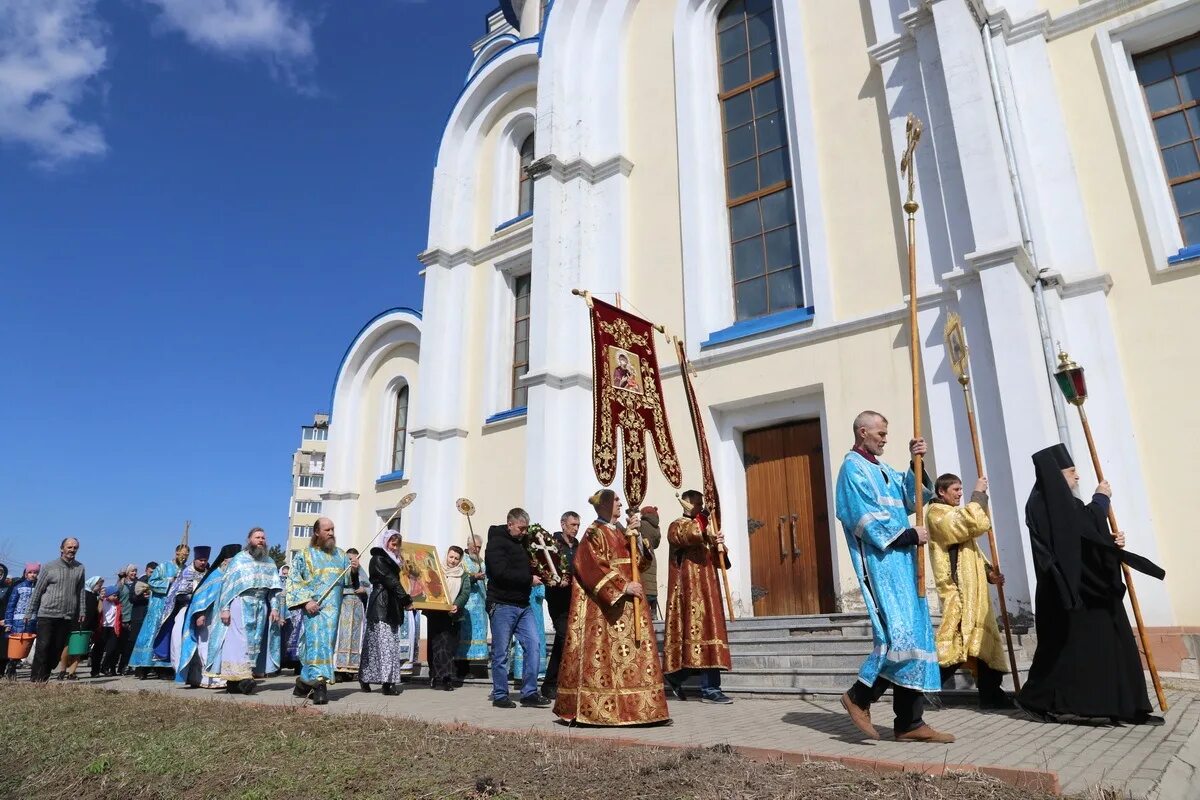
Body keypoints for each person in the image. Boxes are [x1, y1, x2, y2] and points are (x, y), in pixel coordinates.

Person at [1017, 444, 1166, 726]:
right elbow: (1076, 530)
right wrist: (1101, 500)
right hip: (1067, 590)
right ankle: (1037, 700)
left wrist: (1109, 542)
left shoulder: (1061, 502)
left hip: (1089, 588)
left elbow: (1081, 538)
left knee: (1112, 641)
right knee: (1063, 652)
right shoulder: (1044, 502)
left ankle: (1126, 705)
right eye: (1072, 472)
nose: (1077, 478)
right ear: (1056, 474)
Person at [834, 411, 952, 743]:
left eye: (886, 434)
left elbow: (910, 496)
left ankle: (910, 723)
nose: (885, 438)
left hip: (903, 566)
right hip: (881, 564)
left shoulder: (882, 468)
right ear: (862, 432)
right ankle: (859, 696)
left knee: (914, 640)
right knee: (896, 638)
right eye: (880, 433)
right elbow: (860, 517)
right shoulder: (852, 469)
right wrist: (908, 536)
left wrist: (916, 463)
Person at [552, 490, 669, 726]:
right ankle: (600, 711)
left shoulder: (622, 532)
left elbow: (640, 562)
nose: (620, 503)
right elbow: (587, 566)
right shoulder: (593, 532)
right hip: (606, 608)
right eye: (615, 500)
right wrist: (622, 587)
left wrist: (636, 537)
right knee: (607, 659)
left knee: (633, 658)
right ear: (605, 505)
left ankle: (639, 710)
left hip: (631, 604)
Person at [927, 473, 1013, 708]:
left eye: (961, 489)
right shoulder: (936, 514)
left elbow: (971, 552)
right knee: (958, 642)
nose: (959, 493)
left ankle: (991, 694)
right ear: (941, 492)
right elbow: (970, 524)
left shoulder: (953, 513)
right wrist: (979, 493)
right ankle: (926, 686)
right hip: (958, 590)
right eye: (955, 489)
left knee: (980, 640)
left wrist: (988, 573)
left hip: (974, 590)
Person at [663, 490, 733, 704]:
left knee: (711, 636)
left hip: (709, 590)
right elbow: (688, 536)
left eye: (702, 504)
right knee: (699, 637)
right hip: (690, 591)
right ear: (686, 503)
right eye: (697, 504)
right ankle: (710, 689)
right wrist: (705, 527)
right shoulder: (677, 525)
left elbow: (721, 561)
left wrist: (719, 544)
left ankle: (676, 676)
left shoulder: (704, 527)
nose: (701, 508)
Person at [204, 528, 284, 695]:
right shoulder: (239, 559)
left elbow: (275, 589)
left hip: (261, 605)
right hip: (241, 603)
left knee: (255, 642)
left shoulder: (269, 562)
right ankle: (243, 679)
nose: (261, 540)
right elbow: (227, 585)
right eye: (257, 537)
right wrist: (224, 608)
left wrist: (275, 608)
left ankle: (239, 680)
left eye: (263, 537)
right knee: (239, 642)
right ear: (249, 539)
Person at [484, 508, 549, 708]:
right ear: (510, 524)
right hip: (502, 604)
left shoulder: (524, 543)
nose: (523, 532)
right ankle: (500, 694)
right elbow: (499, 573)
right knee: (501, 651)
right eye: (520, 528)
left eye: (526, 529)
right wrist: (529, 579)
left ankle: (529, 692)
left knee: (534, 645)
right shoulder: (496, 543)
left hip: (523, 604)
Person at [287, 517, 353, 705]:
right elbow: (294, 580)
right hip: (314, 609)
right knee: (316, 644)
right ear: (317, 532)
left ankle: (303, 682)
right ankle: (320, 685)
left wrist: (354, 570)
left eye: (333, 529)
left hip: (333, 612)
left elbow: (347, 581)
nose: (331, 533)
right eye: (327, 530)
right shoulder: (305, 555)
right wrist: (306, 601)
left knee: (327, 644)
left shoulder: (340, 555)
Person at [176, 544, 240, 689]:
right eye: (233, 561)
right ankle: (205, 678)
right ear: (224, 560)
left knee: (223, 647)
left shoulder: (233, 576)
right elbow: (200, 598)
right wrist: (199, 614)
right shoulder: (215, 575)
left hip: (227, 620)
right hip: (209, 619)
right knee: (205, 646)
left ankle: (221, 677)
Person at [359, 532, 413, 695]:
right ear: (385, 542)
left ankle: (387, 682)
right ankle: (367, 678)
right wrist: (406, 599)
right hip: (381, 606)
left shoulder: (396, 562)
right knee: (377, 645)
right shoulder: (379, 559)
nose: (394, 547)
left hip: (392, 606)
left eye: (397, 545)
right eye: (392, 543)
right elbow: (391, 580)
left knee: (389, 645)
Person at [26, 538, 85, 683]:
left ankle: (45, 674)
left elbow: (81, 591)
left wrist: (82, 611)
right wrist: (29, 611)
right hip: (47, 613)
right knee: (43, 645)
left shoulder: (80, 568)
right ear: (61, 548)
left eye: (75, 547)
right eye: (69, 547)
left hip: (66, 615)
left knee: (57, 649)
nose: (72, 550)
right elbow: (38, 590)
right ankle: (37, 679)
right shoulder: (49, 567)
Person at [130, 543, 189, 678]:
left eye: (187, 555)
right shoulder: (163, 566)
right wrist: (169, 582)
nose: (184, 558)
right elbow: (152, 583)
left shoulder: (186, 569)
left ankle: (163, 668)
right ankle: (142, 667)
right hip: (158, 607)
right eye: (182, 554)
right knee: (149, 636)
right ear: (176, 553)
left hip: (174, 608)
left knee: (167, 637)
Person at [540, 512, 580, 699]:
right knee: (565, 637)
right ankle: (560, 683)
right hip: (557, 598)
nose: (576, 528)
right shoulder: (552, 544)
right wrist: (555, 580)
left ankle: (551, 684)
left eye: (578, 525)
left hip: (573, 598)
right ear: (563, 524)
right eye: (572, 524)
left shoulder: (578, 545)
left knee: (561, 641)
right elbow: (545, 568)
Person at [152, 546, 211, 672]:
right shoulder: (187, 572)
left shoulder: (209, 573)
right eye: (200, 560)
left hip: (206, 612)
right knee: (179, 639)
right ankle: (180, 670)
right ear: (195, 559)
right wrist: (195, 600)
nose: (203, 562)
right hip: (186, 610)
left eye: (205, 560)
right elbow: (179, 595)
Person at [427, 546, 472, 691]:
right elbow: (429, 586)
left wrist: (457, 605)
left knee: (447, 646)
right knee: (434, 645)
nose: (452, 561)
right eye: (451, 557)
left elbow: (465, 593)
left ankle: (446, 678)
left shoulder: (463, 575)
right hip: (435, 614)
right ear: (447, 556)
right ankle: (433, 675)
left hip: (452, 615)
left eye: (456, 558)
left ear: (460, 560)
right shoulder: (437, 570)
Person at [454, 534, 488, 684]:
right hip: (467, 604)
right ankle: (462, 668)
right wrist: (474, 577)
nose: (477, 549)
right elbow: (459, 577)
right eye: (475, 546)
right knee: (465, 634)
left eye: (480, 547)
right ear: (468, 545)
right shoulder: (462, 560)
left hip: (480, 605)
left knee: (477, 634)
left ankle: (478, 667)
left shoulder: (482, 561)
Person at [58, 575, 102, 681]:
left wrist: (100, 599)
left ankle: (71, 673)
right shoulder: (81, 593)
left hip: (87, 626)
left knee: (79, 650)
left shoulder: (94, 596)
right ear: (94, 583)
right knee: (68, 647)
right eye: (99, 585)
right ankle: (62, 670)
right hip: (74, 624)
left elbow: (97, 612)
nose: (100, 587)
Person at [334, 547, 368, 682]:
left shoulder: (361, 571)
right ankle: (338, 669)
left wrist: (364, 589)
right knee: (341, 636)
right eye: (349, 558)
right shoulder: (341, 570)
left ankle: (353, 669)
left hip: (358, 606)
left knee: (356, 636)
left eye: (354, 558)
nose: (352, 561)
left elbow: (368, 586)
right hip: (342, 604)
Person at [4, 563, 40, 679]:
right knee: (17, 646)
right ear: (26, 574)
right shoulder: (18, 587)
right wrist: (8, 622)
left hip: (33, 620)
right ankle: (12, 666)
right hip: (18, 621)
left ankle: (30, 667)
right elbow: (11, 605)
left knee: (28, 646)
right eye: (30, 572)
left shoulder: (39, 588)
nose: (33, 575)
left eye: (35, 572)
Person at [121, 562, 156, 675]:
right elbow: (132, 599)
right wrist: (142, 596)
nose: (152, 574)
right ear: (146, 570)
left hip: (151, 617)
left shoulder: (158, 582)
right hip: (138, 616)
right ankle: (125, 665)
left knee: (148, 643)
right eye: (151, 572)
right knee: (133, 641)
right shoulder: (138, 582)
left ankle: (143, 668)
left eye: (155, 572)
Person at [510, 582, 546, 686]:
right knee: (534, 633)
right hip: (531, 602)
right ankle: (536, 671)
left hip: (523, 600)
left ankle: (519, 671)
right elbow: (541, 593)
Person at [90, 583, 122, 677]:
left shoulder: (117, 604)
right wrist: (100, 599)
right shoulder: (102, 601)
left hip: (113, 628)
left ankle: (104, 667)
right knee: (98, 651)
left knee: (112, 649)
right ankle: (95, 671)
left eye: (117, 595)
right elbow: (99, 611)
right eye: (114, 595)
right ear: (108, 594)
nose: (116, 597)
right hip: (102, 628)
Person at [637, 507, 662, 618]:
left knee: (643, 584)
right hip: (652, 557)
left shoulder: (641, 524)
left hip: (642, 557)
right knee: (652, 585)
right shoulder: (657, 528)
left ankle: (644, 614)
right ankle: (654, 612)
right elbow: (656, 545)